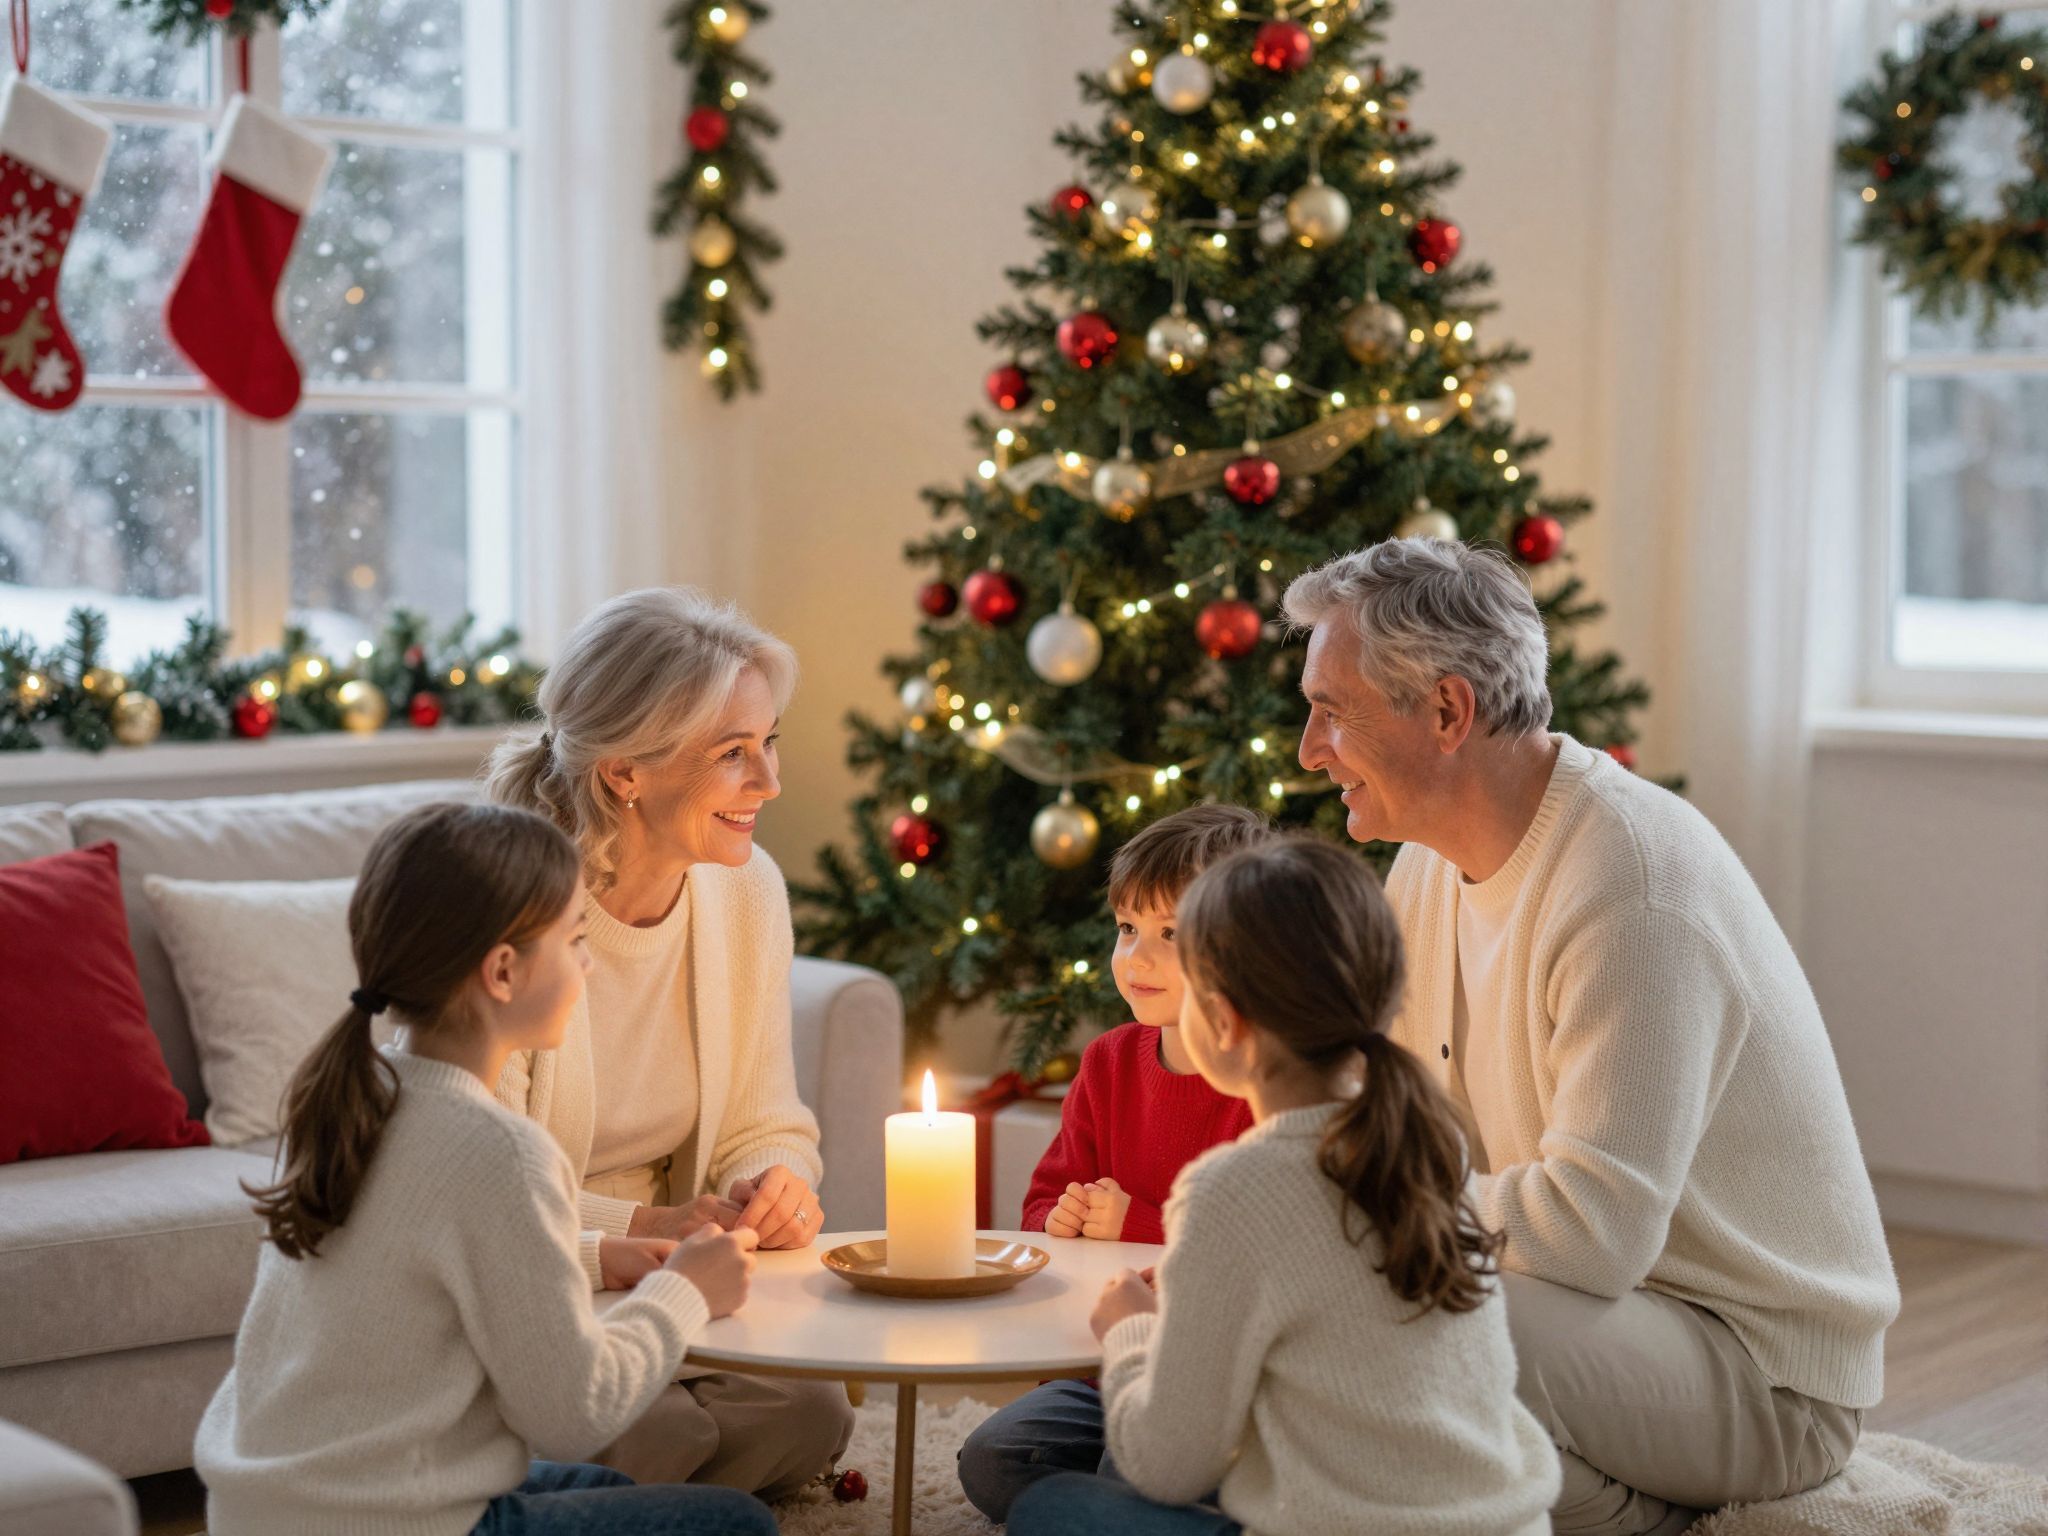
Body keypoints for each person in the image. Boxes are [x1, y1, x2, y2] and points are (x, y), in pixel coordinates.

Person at [1283, 537, 1900, 1536]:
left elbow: (1586, 1236)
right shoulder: (1428, 867)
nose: (1309, 750)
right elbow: (1391, 1131)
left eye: (1332, 712)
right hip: (1580, 1316)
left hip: (1759, 1373)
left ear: (1446, 711)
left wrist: (1369, 1200)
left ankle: (1631, 1519)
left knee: (1405, 1333)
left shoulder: (1631, 886)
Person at [195, 802, 774, 1536]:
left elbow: (439, 1266)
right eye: (575, 941)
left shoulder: (353, 1098)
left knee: (600, 1485)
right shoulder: (500, 1150)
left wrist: (600, 1257)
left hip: (268, 1510)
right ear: (503, 971)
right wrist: (681, 1291)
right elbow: (573, 1412)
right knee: (736, 1524)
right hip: (377, 1523)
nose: (589, 965)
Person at [1010, 837, 1561, 1536]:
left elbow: (1166, 1466)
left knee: (1049, 1511)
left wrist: (1132, 1333)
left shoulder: (1236, 1188)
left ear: (1223, 1019)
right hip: (1511, 1523)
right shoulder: (1430, 1139)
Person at [485, 587, 852, 1492]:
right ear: (625, 773)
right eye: (734, 754)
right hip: (538, 1280)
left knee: (816, 1413)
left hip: (674, 1278)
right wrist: (641, 1228)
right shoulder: (509, 907)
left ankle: (609, 1479)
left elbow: (770, 1119)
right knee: (647, 1426)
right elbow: (472, 1197)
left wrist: (776, 1187)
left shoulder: (745, 890)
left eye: (769, 742)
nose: (769, 782)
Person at [958, 806, 1268, 1523]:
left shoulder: (1262, 1081)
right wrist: (1060, 1218)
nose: (1138, 956)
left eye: (1171, 935)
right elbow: (1041, 1206)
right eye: (1128, 928)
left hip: (1214, 1380)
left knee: (1129, 1463)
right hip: (1106, 1369)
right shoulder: (1107, 1062)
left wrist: (1142, 1222)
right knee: (991, 1461)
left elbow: (1258, 1256)